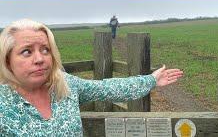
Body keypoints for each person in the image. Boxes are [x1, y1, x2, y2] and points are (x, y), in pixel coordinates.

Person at [0, 19, 183, 136]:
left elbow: (107, 88)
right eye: (26, 52)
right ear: (7, 60)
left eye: (45, 49)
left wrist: (151, 80)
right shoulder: (3, 103)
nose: (39, 59)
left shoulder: (64, 85)